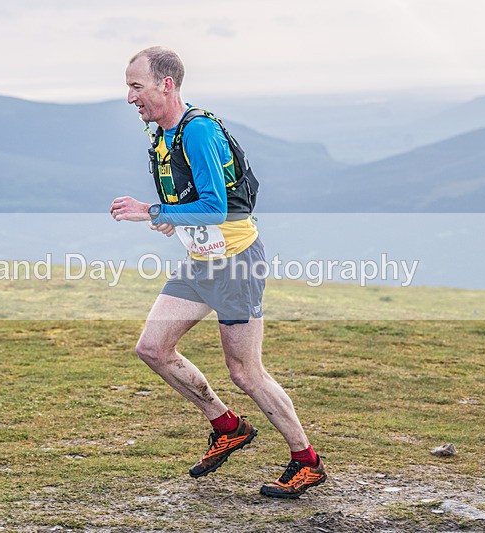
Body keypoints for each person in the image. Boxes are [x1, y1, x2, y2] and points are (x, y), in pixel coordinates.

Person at [110, 46, 326, 498]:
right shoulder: (163, 137)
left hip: (235, 265)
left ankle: (307, 462)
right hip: (202, 263)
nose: (130, 97)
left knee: (246, 373)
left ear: (165, 85)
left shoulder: (198, 131)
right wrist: (170, 218)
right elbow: (195, 206)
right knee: (152, 348)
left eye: (136, 86)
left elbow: (215, 205)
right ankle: (228, 426)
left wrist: (148, 209)